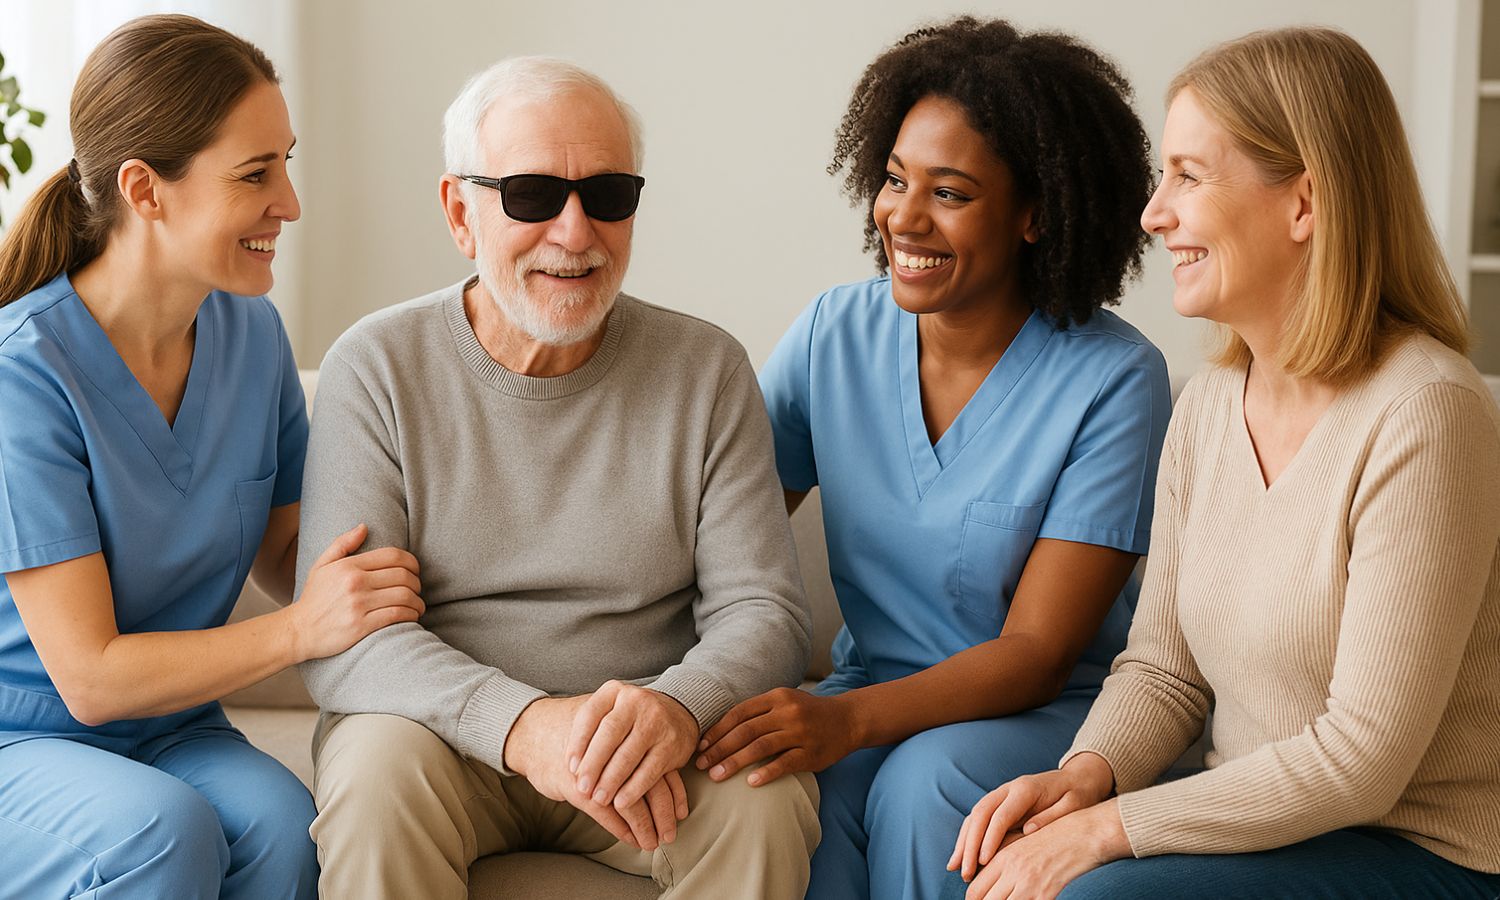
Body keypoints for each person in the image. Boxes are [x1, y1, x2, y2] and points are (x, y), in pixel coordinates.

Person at [947, 27, 1500, 900]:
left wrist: (1112, 829)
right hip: (1265, 837)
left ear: (1304, 203)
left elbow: (1362, 761)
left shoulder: (1426, 412)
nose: (1153, 213)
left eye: (1189, 176)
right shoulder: (1207, 407)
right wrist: (1085, 777)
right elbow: (1163, 669)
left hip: (1422, 852)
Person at [297, 55, 819, 899]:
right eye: (532, 195)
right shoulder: (376, 366)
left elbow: (766, 612)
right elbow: (349, 642)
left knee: (764, 801)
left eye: (608, 195)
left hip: (643, 742)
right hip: (439, 739)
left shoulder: (707, 369)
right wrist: (525, 726)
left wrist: (677, 707)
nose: (576, 233)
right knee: (376, 778)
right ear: (460, 213)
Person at [692, 17, 1170, 900]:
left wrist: (847, 722)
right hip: (866, 688)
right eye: (894, 179)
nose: (903, 217)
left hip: (1045, 711)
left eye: (949, 192)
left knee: (927, 787)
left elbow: (1038, 651)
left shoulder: (1115, 380)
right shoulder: (833, 334)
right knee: (777, 790)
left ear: (1036, 214)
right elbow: (708, 526)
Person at [0, 13, 424, 900]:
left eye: (286, 163)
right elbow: (90, 678)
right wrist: (303, 629)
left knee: (285, 831)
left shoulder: (251, 336)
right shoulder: (23, 375)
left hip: (172, 725)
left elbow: (289, 549)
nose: (290, 203)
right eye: (255, 173)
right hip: (28, 735)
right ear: (145, 190)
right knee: (159, 834)